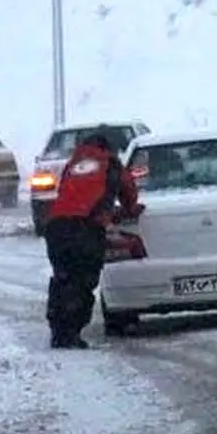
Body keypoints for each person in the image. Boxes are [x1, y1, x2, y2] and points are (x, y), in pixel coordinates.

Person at [44, 127, 144, 349]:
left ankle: (58, 330)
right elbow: (128, 193)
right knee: (83, 280)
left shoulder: (73, 164)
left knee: (63, 278)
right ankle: (71, 333)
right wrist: (128, 210)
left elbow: (71, 195)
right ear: (109, 147)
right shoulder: (110, 163)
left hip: (57, 227)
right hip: (85, 229)